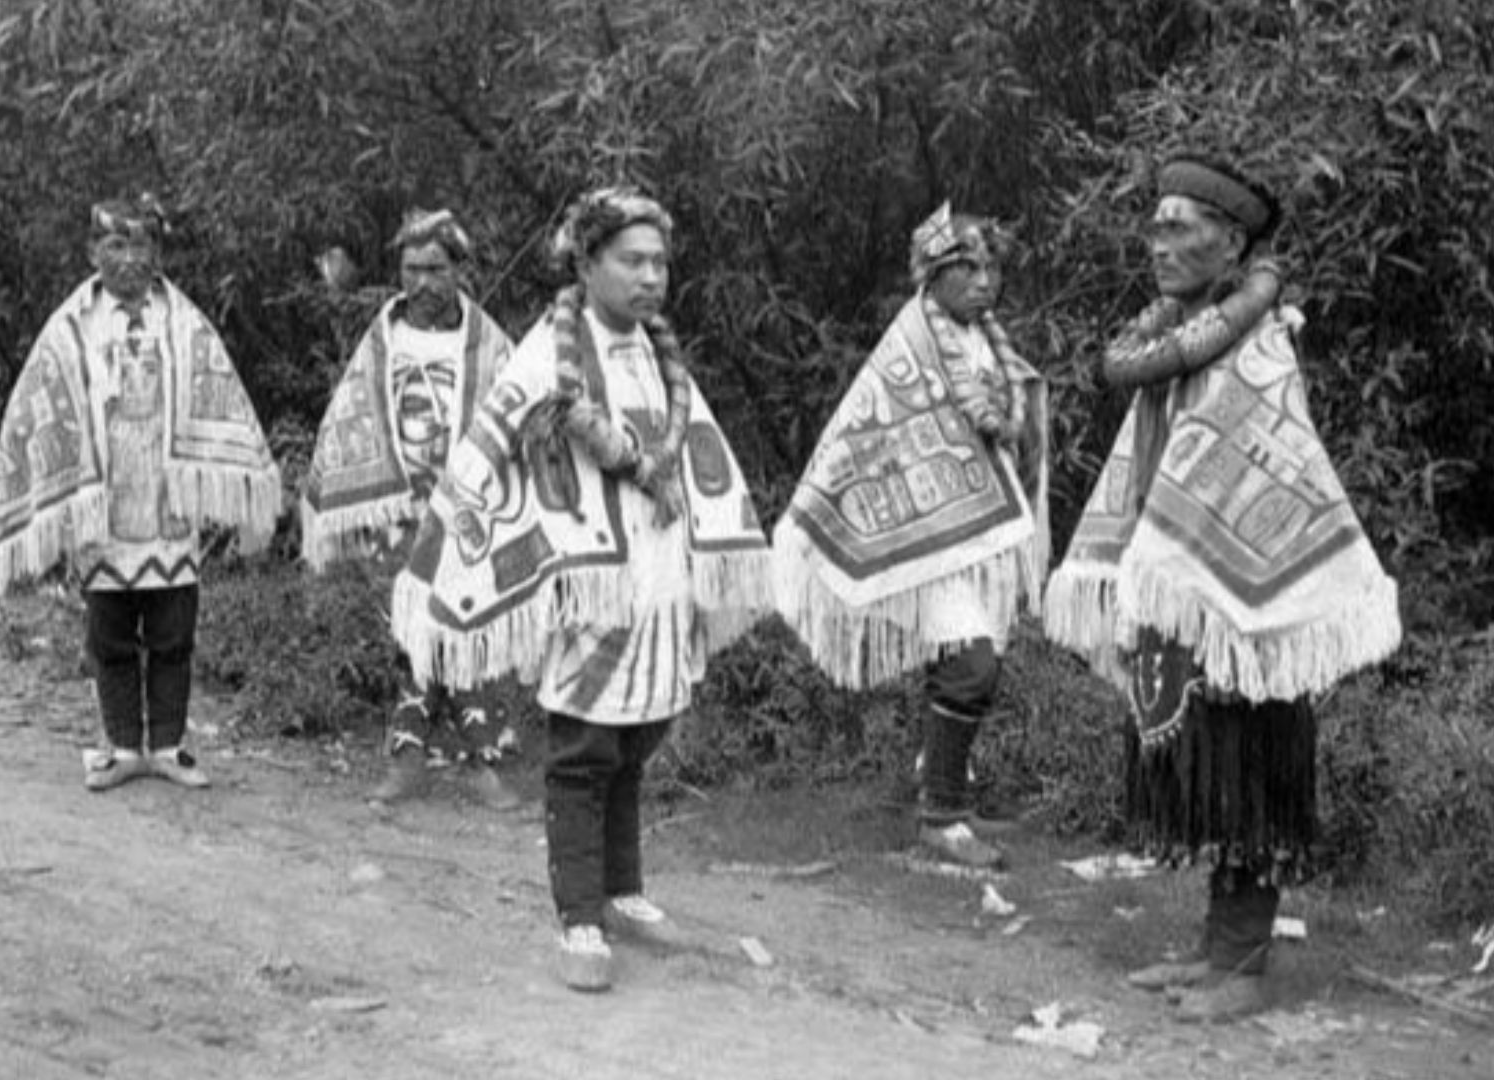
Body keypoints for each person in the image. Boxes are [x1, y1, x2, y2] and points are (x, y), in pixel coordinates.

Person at [1044, 157, 1401, 1021]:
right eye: (1155, 224)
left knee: (1248, 766)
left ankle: (1244, 965)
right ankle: (1214, 950)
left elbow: (1265, 464)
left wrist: (1215, 568)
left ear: (1231, 240)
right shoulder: (1178, 334)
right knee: (1208, 766)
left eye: (1179, 226)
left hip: (1248, 602)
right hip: (1189, 595)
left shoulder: (1259, 339)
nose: (1157, 241)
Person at [392, 187, 772, 992]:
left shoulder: (658, 352)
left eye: (660, 262)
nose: (651, 277)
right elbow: (493, 447)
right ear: (589, 263)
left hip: (657, 567)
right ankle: (579, 917)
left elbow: (693, 449)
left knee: (642, 736)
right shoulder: (547, 354)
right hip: (588, 577)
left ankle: (623, 889)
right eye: (631, 261)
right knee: (585, 747)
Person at [772, 204, 1049, 869]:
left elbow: (1014, 416)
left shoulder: (988, 338)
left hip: (976, 537)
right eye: (967, 269)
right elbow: (875, 432)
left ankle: (947, 792)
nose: (984, 282)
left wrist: (1018, 421)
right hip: (928, 535)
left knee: (978, 665)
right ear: (934, 276)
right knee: (968, 664)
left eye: (992, 268)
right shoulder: (912, 345)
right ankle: (941, 819)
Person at [0, 196, 281, 792]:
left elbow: (219, 390)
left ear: (158, 253)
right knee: (111, 634)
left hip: (166, 503)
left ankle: (167, 744)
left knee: (173, 631)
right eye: (115, 245)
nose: (128, 259)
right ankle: (121, 746)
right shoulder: (73, 327)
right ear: (93, 252)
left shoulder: (183, 321)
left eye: (141, 245)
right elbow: (38, 403)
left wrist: (241, 481)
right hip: (105, 505)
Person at [301, 209, 521, 810]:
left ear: (459, 271)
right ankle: (408, 758)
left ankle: (481, 761)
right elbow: (354, 414)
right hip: (402, 510)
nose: (421, 283)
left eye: (435, 269)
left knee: (469, 625)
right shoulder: (385, 337)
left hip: (471, 514)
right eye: (411, 270)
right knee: (410, 629)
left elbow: (518, 420)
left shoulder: (490, 345)